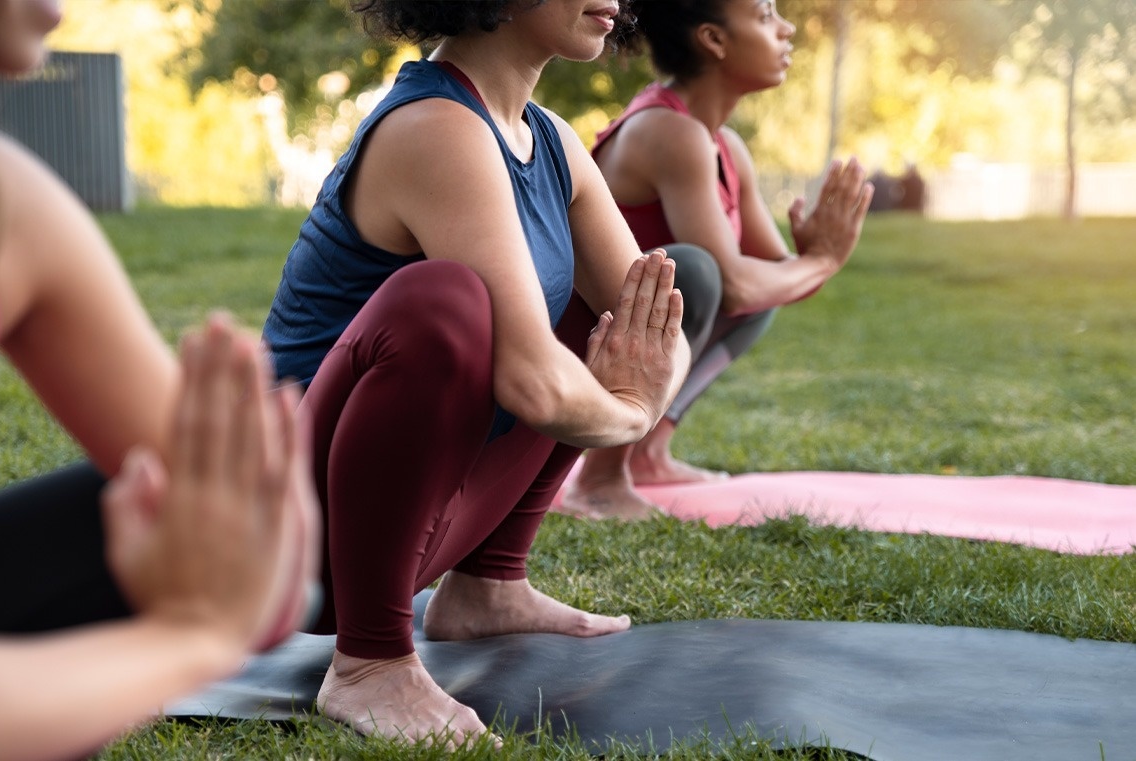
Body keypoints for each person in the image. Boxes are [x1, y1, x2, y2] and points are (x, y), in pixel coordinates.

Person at [260, 0, 697, 747]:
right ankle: (369, 662)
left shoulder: (553, 142)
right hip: (282, 543)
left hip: (406, 533)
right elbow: (533, 382)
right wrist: (631, 409)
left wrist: (640, 384)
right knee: (444, 302)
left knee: (603, 310)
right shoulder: (433, 128)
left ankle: (488, 584)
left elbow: (655, 330)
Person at [0, 2, 320, 759]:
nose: (57, 9)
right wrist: (189, 637)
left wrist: (256, 538)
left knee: (123, 511)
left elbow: (261, 569)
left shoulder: (16, 202)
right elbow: (228, 613)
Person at [560, 0, 874, 520]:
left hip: (630, 331)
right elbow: (733, 284)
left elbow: (775, 282)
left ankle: (650, 454)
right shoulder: (669, 131)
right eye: (766, 14)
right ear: (715, 40)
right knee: (694, 275)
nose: (786, 28)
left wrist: (813, 259)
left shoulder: (723, 144)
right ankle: (598, 479)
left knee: (743, 292)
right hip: (577, 337)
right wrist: (820, 261)